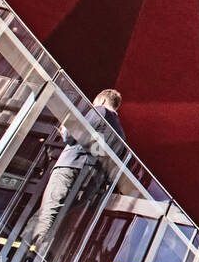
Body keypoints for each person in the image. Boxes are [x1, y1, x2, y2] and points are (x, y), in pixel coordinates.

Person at [25, 89, 125, 246]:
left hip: (72, 166)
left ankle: (34, 253)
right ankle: (24, 245)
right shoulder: (121, 134)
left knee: (49, 211)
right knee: (55, 215)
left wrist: (65, 130)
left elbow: (72, 135)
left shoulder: (100, 111)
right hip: (90, 182)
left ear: (102, 101)